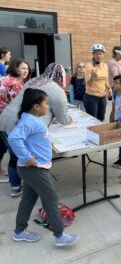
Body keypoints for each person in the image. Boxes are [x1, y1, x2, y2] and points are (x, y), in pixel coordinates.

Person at [8, 88, 79, 246]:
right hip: (34, 169)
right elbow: (14, 138)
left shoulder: (31, 118)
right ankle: (59, 235)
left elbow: (32, 138)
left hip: (35, 168)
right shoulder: (29, 121)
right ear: (36, 106)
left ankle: (19, 232)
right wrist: (26, 157)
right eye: (46, 103)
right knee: (51, 198)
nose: (48, 106)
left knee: (28, 199)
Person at [0, 62, 72, 197]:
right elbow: (63, 118)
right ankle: (19, 187)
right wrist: (69, 119)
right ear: (60, 76)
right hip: (19, 124)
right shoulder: (56, 89)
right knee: (19, 157)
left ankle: (16, 185)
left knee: (14, 156)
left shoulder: (34, 80)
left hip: (6, 119)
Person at [0, 59, 32, 182]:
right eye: (22, 68)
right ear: (15, 68)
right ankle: (15, 180)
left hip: (2, 118)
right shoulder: (16, 84)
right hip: (6, 119)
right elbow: (20, 106)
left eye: (27, 69)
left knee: (1, 145)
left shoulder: (5, 78)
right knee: (14, 152)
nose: (25, 71)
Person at [83, 43, 111, 122]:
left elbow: (106, 80)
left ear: (103, 54)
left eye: (100, 54)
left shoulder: (105, 66)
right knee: (93, 121)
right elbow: (88, 83)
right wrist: (92, 76)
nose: (99, 56)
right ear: (93, 54)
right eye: (96, 54)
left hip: (102, 97)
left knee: (101, 119)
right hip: (91, 97)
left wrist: (110, 89)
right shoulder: (89, 66)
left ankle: (99, 135)